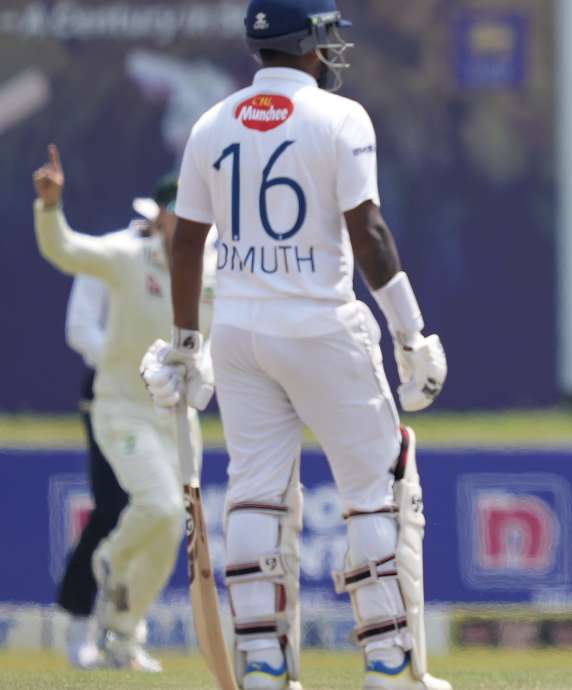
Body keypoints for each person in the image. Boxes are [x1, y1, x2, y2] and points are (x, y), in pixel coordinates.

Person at [138, 1, 449, 688]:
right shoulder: (342, 118)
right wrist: (410, 332)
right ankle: (390, 666)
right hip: (320, 327)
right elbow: (367, 232)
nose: (334, 48)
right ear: (308, 44)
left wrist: (188, 344)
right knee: (377, 489)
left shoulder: (211, 124)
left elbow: (187, 241)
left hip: (242, 333)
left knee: (255, 496)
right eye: (328, 36)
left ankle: (264, 666)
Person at [32, 153, 214, 672]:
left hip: (177, 418)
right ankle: (108, 558)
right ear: (158, 215)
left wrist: (205, 374)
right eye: (178, 210)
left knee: (170, 525)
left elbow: (218, 341)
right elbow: (64, 249)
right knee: (155, 508)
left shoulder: (214, 270)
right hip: (121, 409)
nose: (187, 220)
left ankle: (124, 634)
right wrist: (51, 207)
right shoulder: (127, 256)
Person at [56, 187, 167, 668]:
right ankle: (79, 625)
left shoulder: (186, 261)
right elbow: (81, 328)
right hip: (110, 391)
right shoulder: (113, 254)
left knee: (158, 513)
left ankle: (123, 633)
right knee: (111, 508)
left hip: (161, 399)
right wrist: (129, 363)